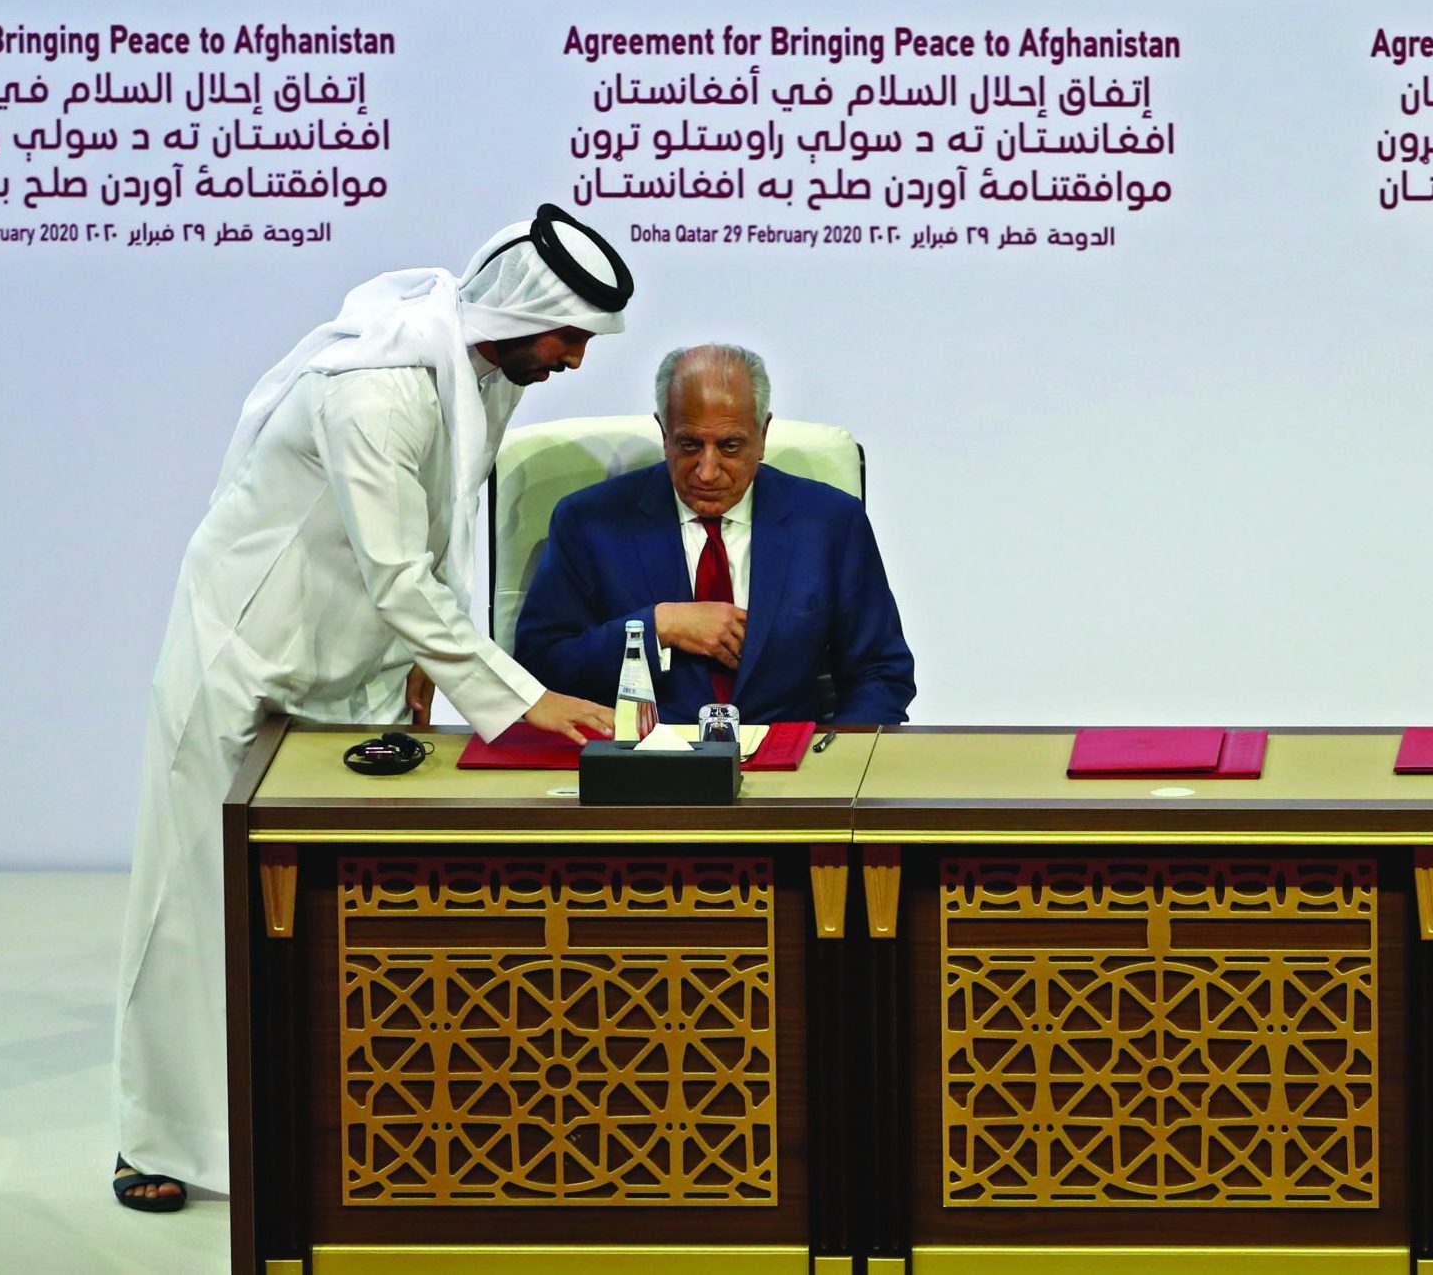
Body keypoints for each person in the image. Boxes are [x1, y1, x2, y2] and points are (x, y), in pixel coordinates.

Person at [111, 205, 632, 1212]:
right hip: (248, 652)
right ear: (525, 313)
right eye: (571, 335)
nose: (574, 359)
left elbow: (431, 533)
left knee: (334, 903)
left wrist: (419, 670)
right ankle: (158, 1135)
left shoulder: (487, 371)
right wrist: (524, 699)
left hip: (355, 656)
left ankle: (319, 1122)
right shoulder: (378, 389)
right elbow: (399, 572)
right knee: (194, 902)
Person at [514, 344, 915, 726]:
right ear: (664, 432)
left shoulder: (830, 522)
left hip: (789, 768)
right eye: (689, 444)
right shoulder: (589, 522)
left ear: (762, 435)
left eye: (729, 446)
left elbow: (881, 672)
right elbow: (541, 668)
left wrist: (837, 766)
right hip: (642, 767)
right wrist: (659, 627)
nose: (707, 471)